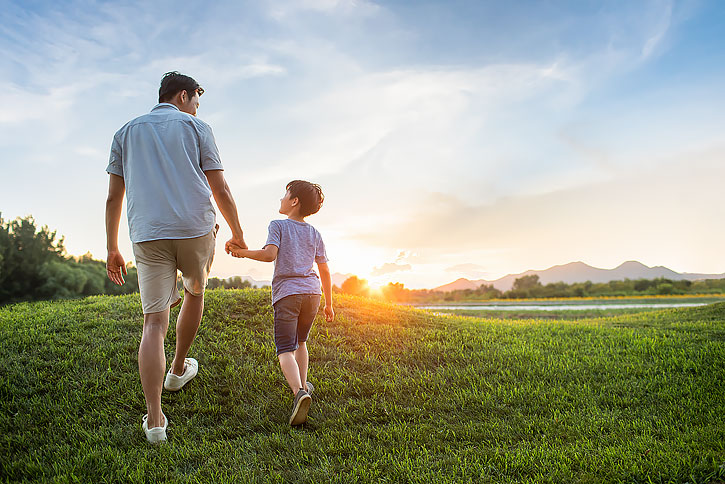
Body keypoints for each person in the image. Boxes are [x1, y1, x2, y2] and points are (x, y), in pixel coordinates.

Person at [105, 71, 247, 443]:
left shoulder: (125, 132)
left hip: (147, 232)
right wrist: (237, 232)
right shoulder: (197, 128)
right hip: (195, 228)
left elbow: (113, 198)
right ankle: (179, 367)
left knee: (153, 324)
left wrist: (111, 247)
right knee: (195, 292)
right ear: (184, 96)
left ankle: (155, 421)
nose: (196, 111)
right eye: (196, 103)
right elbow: (220, 187)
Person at [228, 180, 334, 426]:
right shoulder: (314, 233)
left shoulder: (278, 225)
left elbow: (269, 255)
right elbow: (325, 270)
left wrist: (241, 253)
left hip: (287, 294)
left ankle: (298, 393)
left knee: (285, 348)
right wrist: (329, 304)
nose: (281, 199)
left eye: (284, 195)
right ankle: (303, 386)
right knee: (301, 342)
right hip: (312, 294)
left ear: (294, 201)